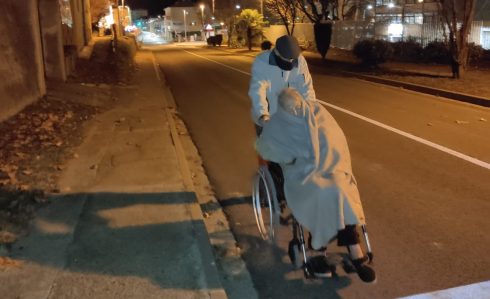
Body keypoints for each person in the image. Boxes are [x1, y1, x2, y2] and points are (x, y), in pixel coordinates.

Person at [255, 88, 376, 283]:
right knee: (321, 193)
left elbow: (336, 141)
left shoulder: (317, 111)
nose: (295, 113)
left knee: (340, 189)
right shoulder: (278, 123)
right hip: (301, 174)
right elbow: (269, 150)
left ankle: (353, 244)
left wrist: (333, 164)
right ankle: (318, 250)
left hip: (331, 167)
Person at [248, 35, 315, 132]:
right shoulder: (262, 61)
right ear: (276, 52)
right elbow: (257, 90)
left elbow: (306, 87)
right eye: (287, 59)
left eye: (292, 59)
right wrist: (262, 114)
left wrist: (312, 111)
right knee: (266, 146)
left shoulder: (300, 60)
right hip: (268, 117)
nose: (290, 62)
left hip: (290, 117)